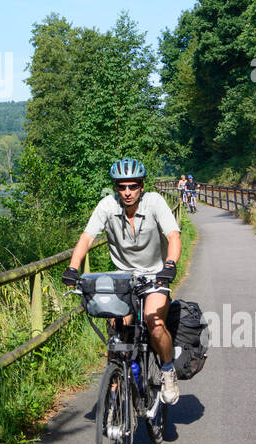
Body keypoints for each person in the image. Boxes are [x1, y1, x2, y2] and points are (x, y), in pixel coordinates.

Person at [61, 158, 182, 404]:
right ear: (116, 187)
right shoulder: (107, 205)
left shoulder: (155, 202)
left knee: (154, 321)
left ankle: (168, 371)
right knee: (117, 329)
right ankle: (116, 386)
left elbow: (173, 235)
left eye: (133, 186)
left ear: (141, 186)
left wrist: (170, 264)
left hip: (155, 275)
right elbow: (86, 237)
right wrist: (73, 268)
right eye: (121, 186)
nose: (127, 192)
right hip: (123, 278)